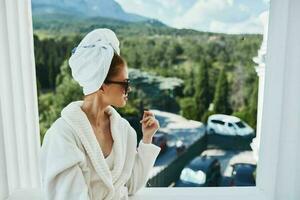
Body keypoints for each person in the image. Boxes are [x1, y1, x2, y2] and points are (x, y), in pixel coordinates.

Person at [40, 28, 161, 200]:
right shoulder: (63, 136)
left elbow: (132, 184)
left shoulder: (123, 130)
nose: (129, 89)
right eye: (125, 83)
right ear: (102, 85)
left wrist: (147, 139)